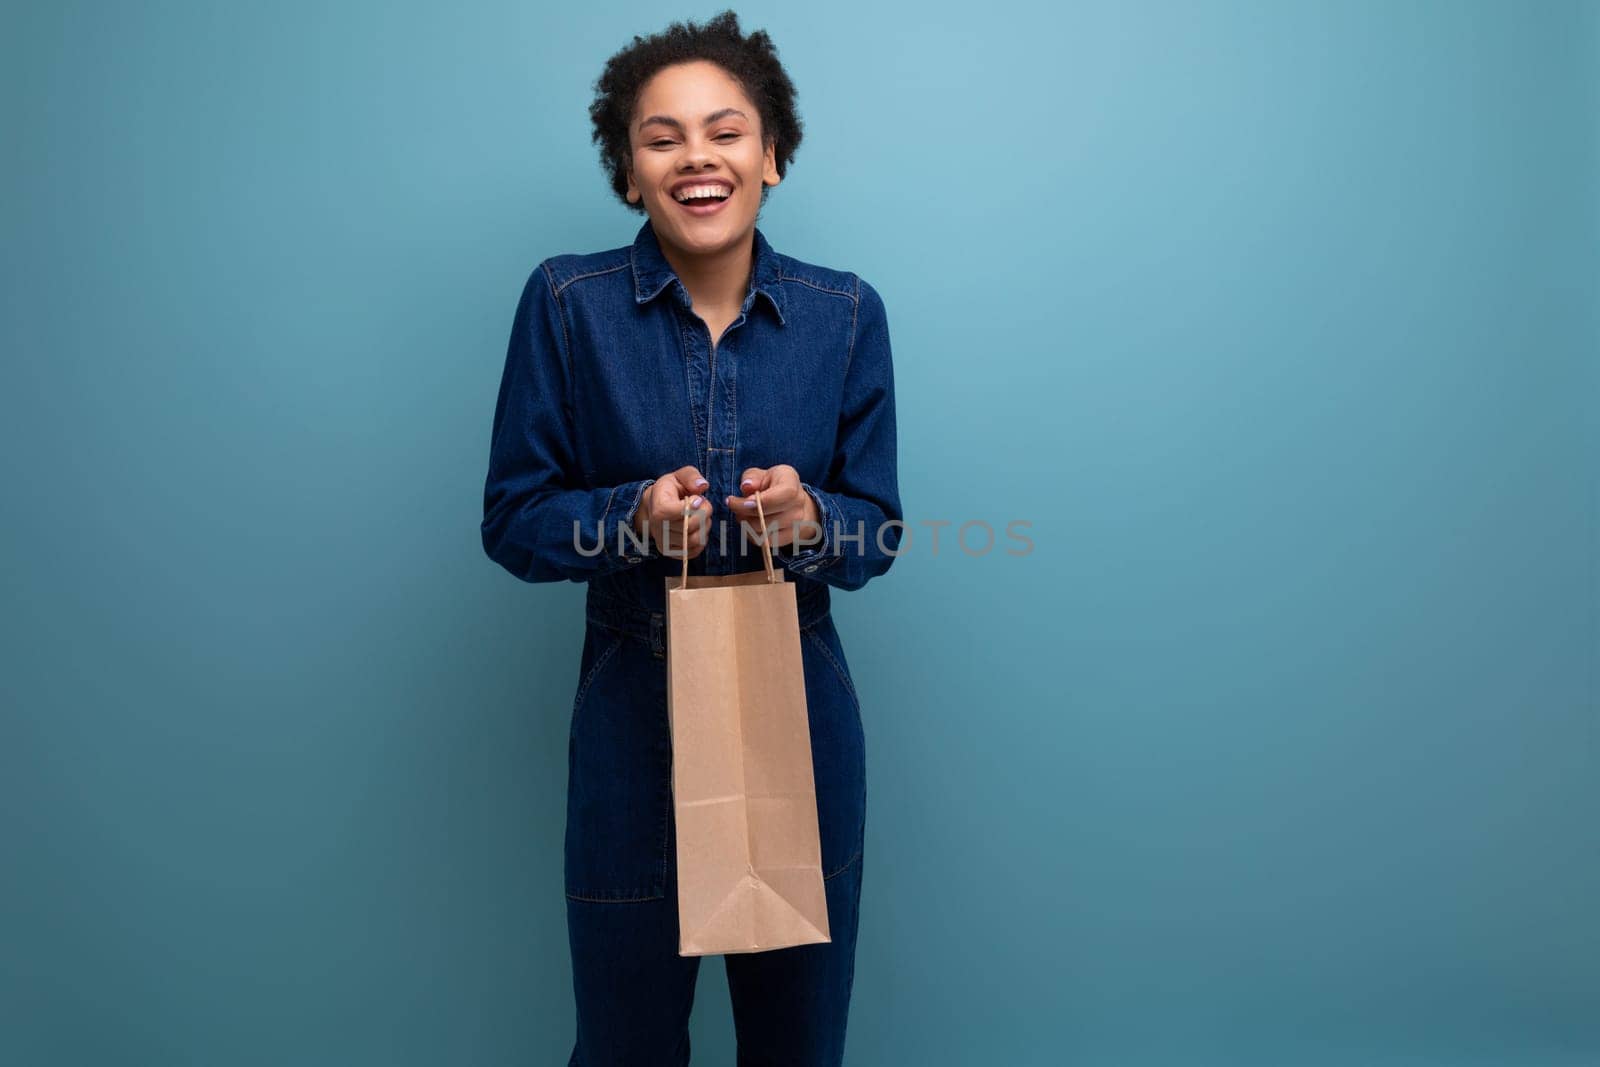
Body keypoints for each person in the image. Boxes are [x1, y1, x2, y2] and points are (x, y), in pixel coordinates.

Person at [480, 10, 902, 1065]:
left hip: (797, 712)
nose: (695, 157)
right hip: (628, 717)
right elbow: (513, 518)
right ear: (628, 172)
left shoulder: (845, 314)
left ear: (773, 155)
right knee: (624, 1046)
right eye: (660, 137)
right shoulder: (566, 304)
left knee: (796, 1043)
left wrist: (811, 522)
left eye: (725, 131)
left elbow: (877, 531)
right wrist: (628, 519)